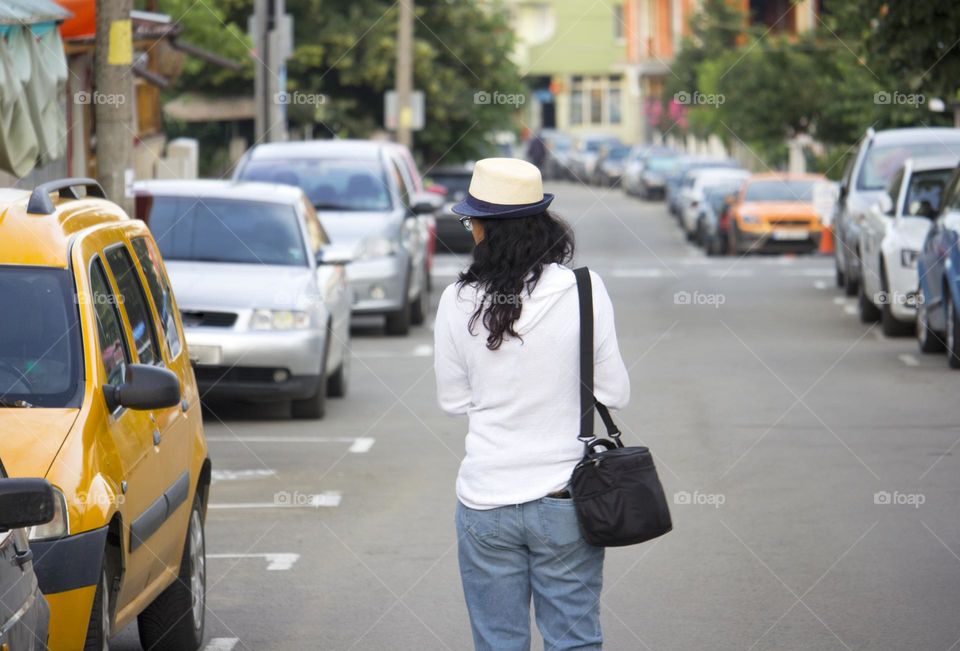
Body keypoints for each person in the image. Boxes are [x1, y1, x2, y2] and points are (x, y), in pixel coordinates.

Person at [434, 158, 630, 650]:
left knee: (499, 643)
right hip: (565, 499)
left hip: (485, 500)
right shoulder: (585, 291)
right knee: (574, 640)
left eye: (470, 221)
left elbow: (453, 401)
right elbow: (616, 393)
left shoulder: (457, 302)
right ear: (541, 223)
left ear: (483, 229)